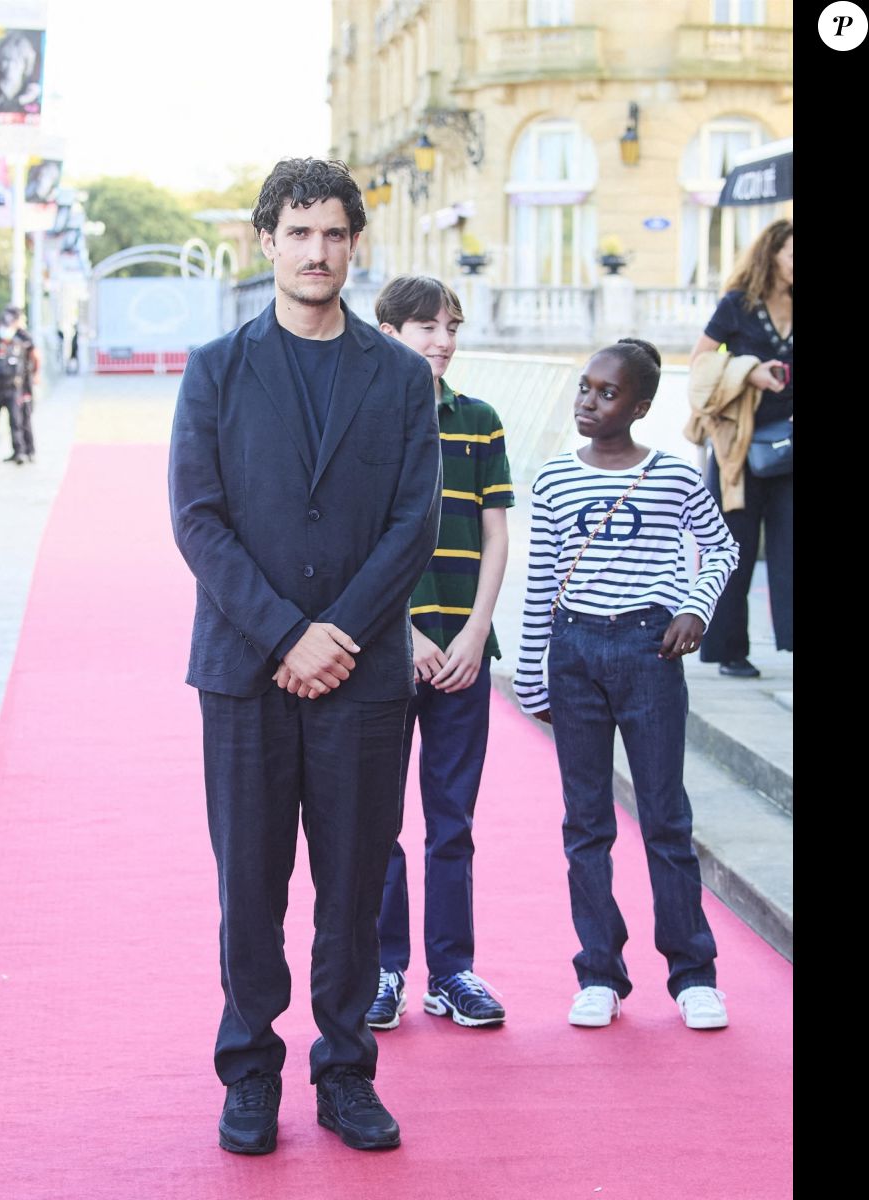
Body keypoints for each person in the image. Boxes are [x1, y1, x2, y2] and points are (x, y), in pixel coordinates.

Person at [168, 159, 442, 1156]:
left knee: (353, 884)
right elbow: (198, 522)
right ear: (266, 241)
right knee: (249, 885)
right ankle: (249, 1073)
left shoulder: (401, 376)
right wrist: (287, 632)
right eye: (299, 233)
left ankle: (343, 1073)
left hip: (363, 679)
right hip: (244, 672)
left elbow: (413, 523)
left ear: (354, 244)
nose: (317, 251)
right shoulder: (215, 368)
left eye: (334, 234)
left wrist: (341, 633)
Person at [513, 338, 739, 1031]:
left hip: (648, 651)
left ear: (640, 406)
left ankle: (693, 973)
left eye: (607, 393)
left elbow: (721, 546)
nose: (588, 400)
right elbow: (542, 584)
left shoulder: (672, 477)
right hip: (573, 651)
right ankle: (599, 974)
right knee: (586, 823)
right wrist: (531, 679)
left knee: (665, 818)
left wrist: (695, 607)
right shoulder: (554, 480)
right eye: (585, 387)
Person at [367, 276, 513, 1032]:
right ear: (387, 331)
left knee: (452, 821)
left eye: (451, 325)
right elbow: (352, 545)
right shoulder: (361, 418)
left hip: (465, 653)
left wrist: (476, 632)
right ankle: (384, 968)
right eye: (426, 325)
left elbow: (495, 535)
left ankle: (450, 971)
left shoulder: (479, 421)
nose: (443, 339)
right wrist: (405, 634)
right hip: (386, 652)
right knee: (378, 822)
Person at [686, 219, 792, 677]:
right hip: (739, 447)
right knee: (734, 546)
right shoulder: (738, 306)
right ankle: (728, 650)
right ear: (770, 256)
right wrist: (748, 370)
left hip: (790, 445)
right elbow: (700, 361)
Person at [0, 306, 38, 465]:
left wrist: (32, 380)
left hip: (17, 387)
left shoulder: (22, 339)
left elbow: (33, 359)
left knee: (19, 421)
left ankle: (24, 451)